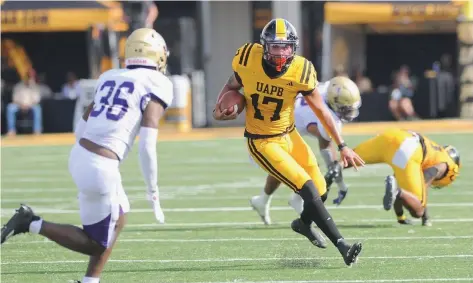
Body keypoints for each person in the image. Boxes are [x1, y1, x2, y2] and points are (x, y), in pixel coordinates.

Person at [0, 28, 173, 283]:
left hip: (83, 154)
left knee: (120, 217)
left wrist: (85, 152)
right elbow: (147, 144)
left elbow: (85, 119)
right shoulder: (158, 83)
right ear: (157, 55)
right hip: (100, 165)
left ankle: (90, 281)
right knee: (95, 243)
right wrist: (153, 191)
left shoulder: (110, 75)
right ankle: (31, 223)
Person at [213, 18, 364, 267]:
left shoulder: (301, 70)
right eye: (275, 46)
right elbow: (231, 85)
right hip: (262, 141)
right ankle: (343, 246)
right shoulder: (248, 57)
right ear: (264, 46)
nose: (281, 52)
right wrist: (219, 109)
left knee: (321, 191)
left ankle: (302, 223)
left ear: (293, 47)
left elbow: (323, 112)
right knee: (308, 189)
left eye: (286, 46)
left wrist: (342, 145)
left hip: (289, 135)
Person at [250, 76, 362, 226]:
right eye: (344, 108)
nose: (348, 112)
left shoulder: (327, 89)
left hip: (281, 120)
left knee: (289, 163)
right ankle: (296, 199)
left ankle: (264, 200)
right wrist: (340, 183)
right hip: (271, 130)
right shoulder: (326, 117)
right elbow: (327, 152)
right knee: (299, 164)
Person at [325, 129, 460, 226]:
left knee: (347, 160)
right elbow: (426, 179)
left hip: (392, 136)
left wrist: (400, 216)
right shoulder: (446, 164)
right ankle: (397, 192)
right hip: (410, 150)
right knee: (418, 210)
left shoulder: (433, 152)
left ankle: (332, 170)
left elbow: (405, 184)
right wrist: (425, 216)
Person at [6, 68, 42, 136]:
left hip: (30, 106)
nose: (29, 78)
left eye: (31, 77)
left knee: (37, 108)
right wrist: (21, 105)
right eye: (28, 76)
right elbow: (14, 99)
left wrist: (28, 105)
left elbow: (37, 100)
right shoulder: (18, 86)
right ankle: (11, 130)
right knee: (10, 108)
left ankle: (37, 130)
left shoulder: (35, 87)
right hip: (19, 106)